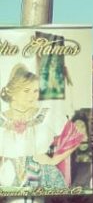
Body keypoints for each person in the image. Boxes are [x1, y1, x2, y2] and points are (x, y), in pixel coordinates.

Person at [0, 63, 71, 195]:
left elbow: (75, 137)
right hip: (6, 177)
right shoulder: (2, 119)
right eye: (27, 91)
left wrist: (54, 159)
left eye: (35, 91)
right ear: (13, 94)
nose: (33, 96)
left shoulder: (47, 114)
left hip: (44, 177)